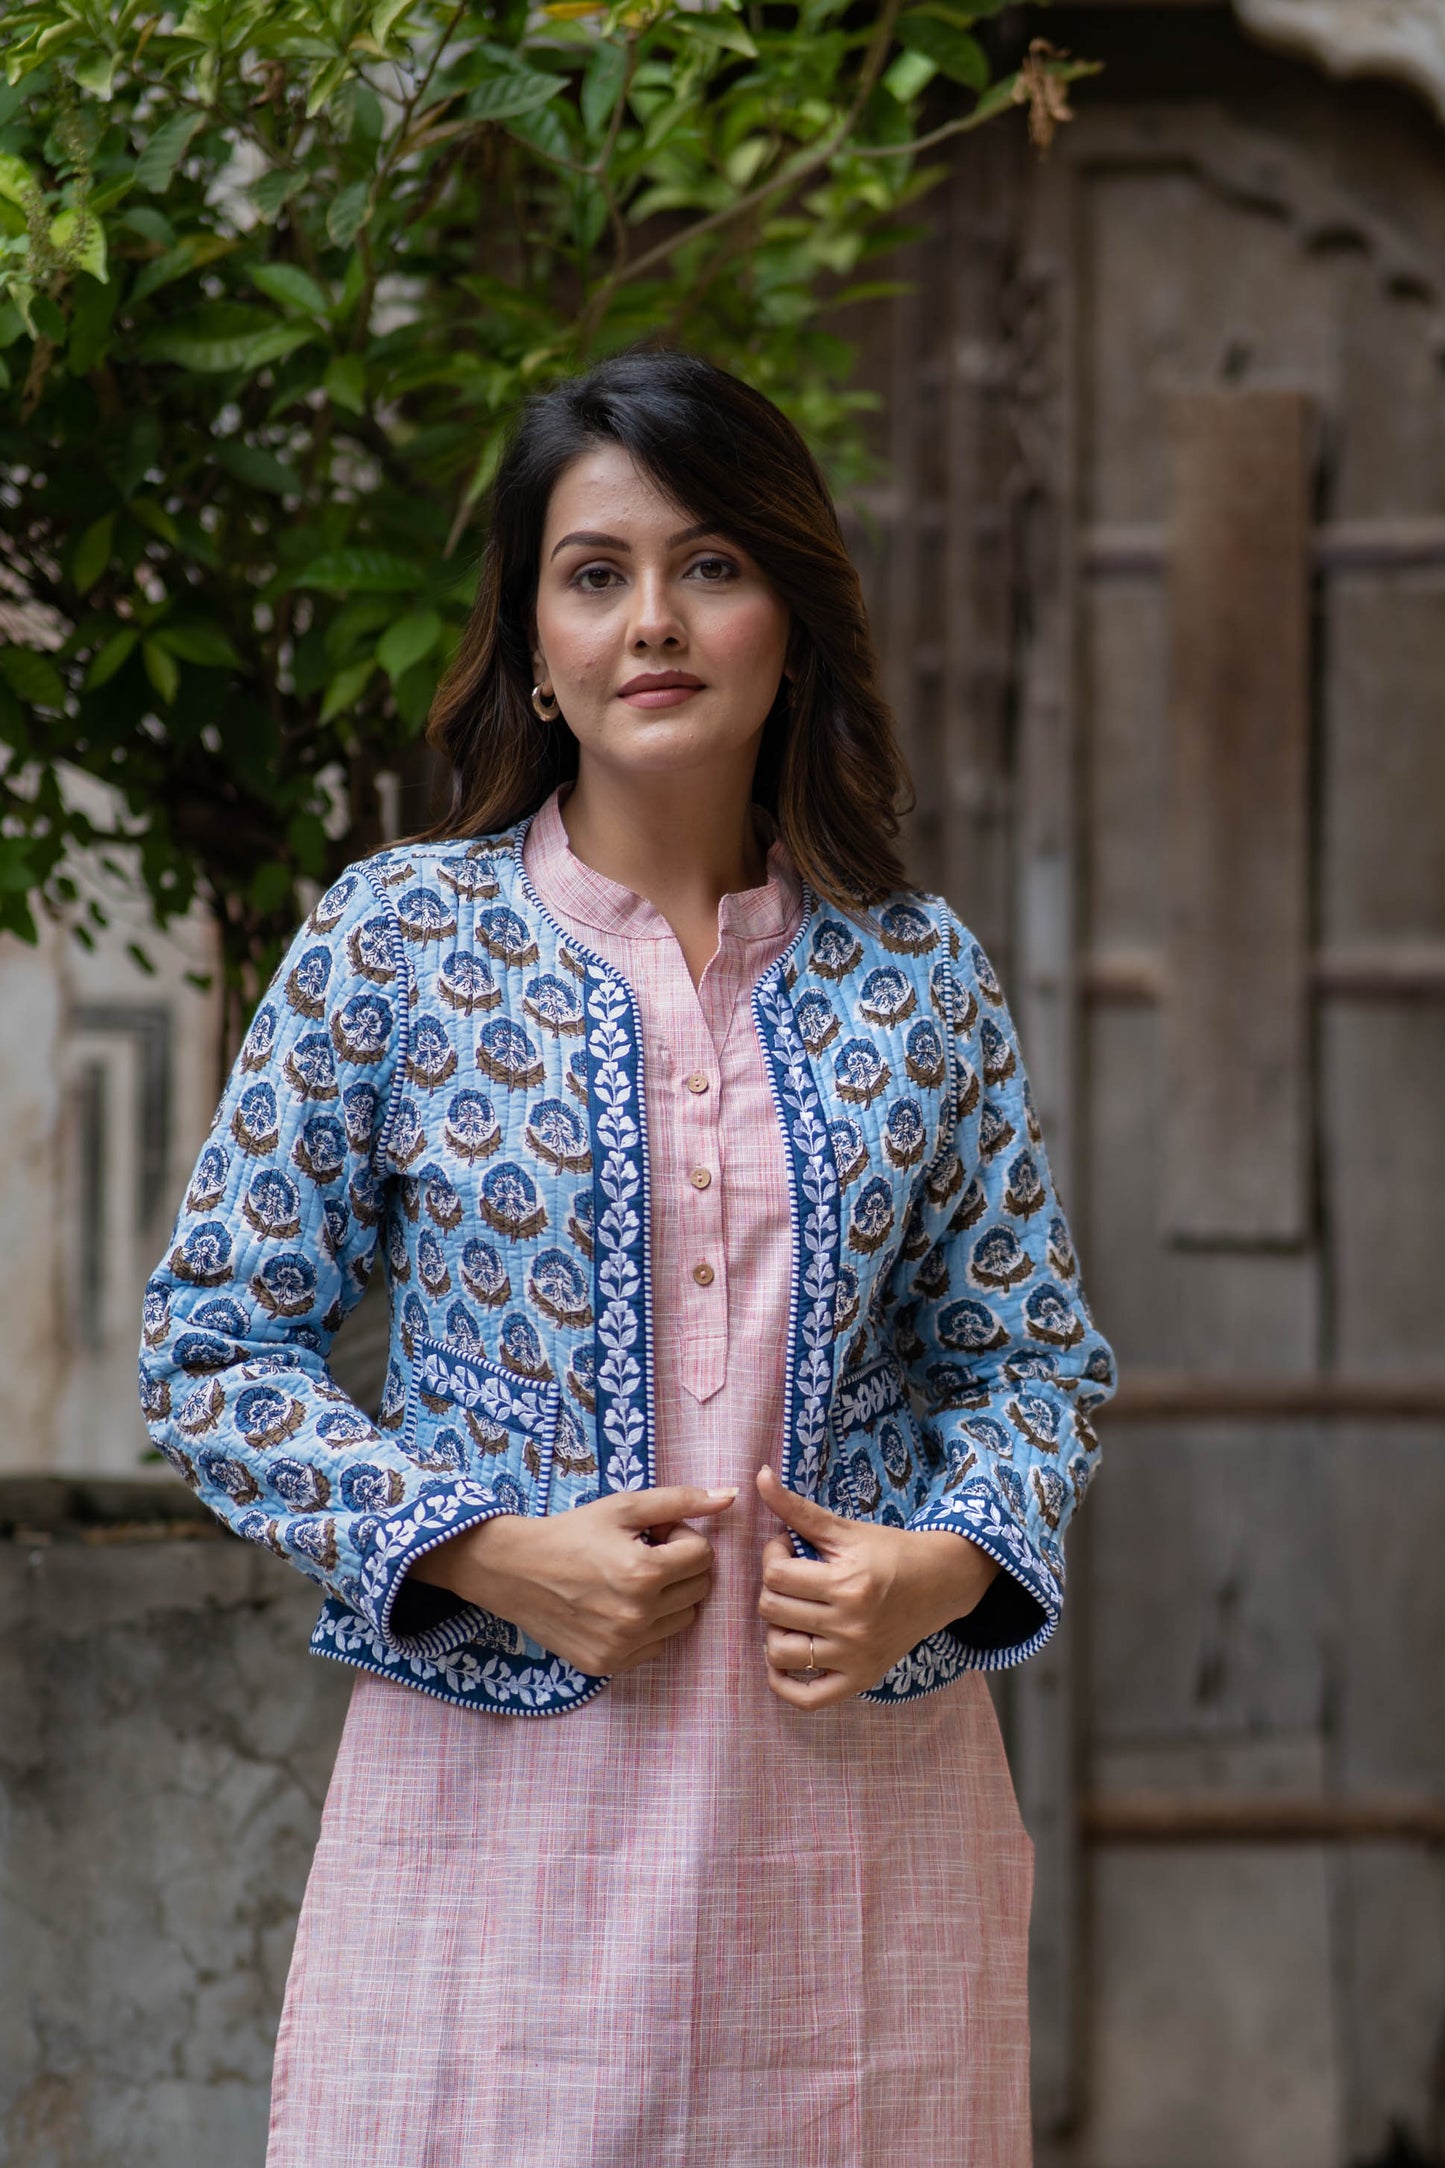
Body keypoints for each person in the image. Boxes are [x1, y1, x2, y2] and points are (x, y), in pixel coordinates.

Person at [139, 349, 1117, 2167]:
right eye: (594, 575)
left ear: (790, 622)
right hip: (497, 1834)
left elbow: (1030, 1363)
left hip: (854, 1840)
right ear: (534, 644)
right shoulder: (395, 945)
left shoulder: (916, 978)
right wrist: (483, 1549)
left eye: (709, 566)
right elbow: (211, 1353)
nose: (651, 621)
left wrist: (938, 1567)